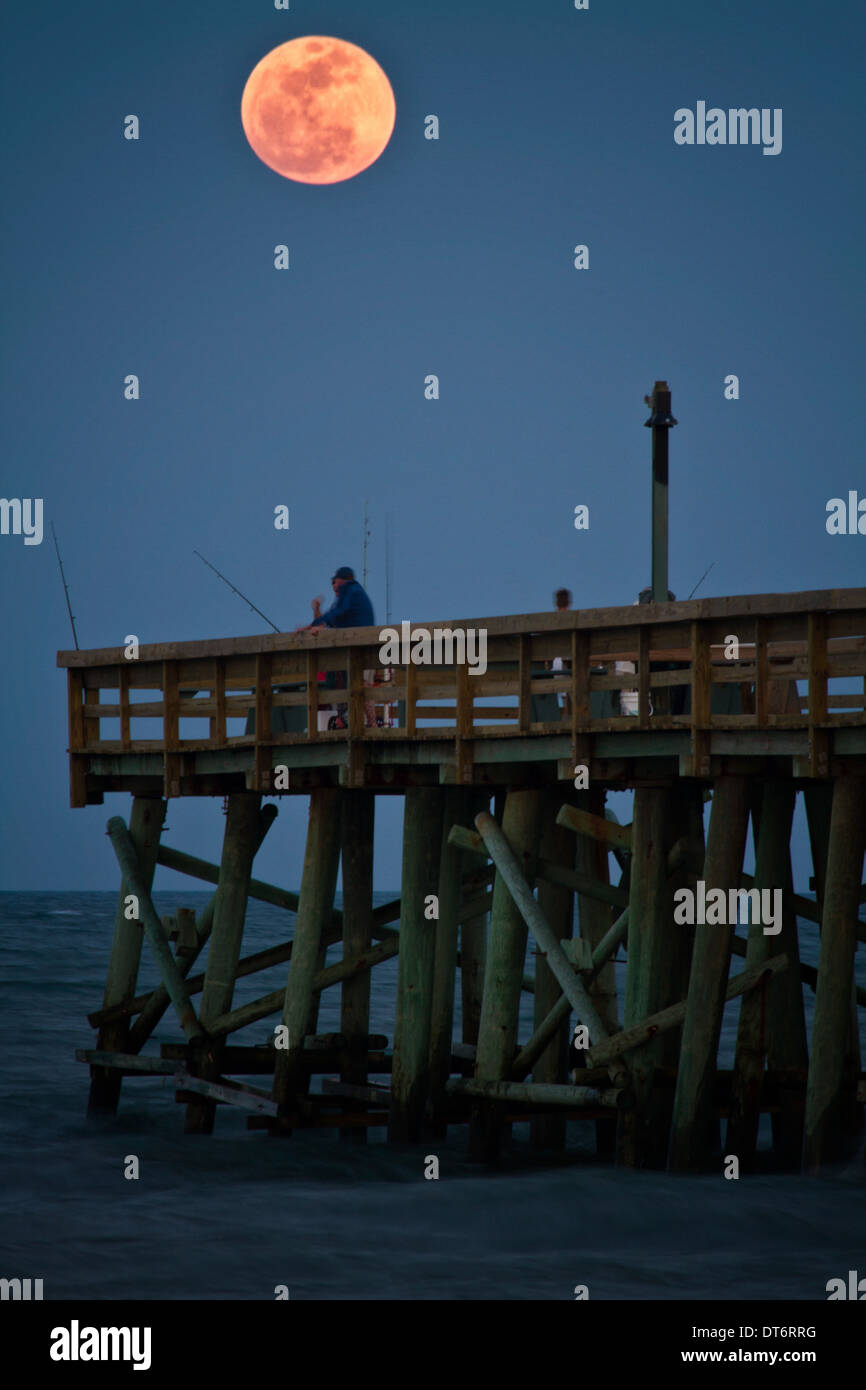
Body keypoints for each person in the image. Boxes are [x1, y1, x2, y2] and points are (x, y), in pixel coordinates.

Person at [295, 566, 377, 727]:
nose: (333, 585)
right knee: (353, 685)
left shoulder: (351, 591)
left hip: (362, 648)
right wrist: (316, 620)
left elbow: (337, 614)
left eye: (334, 581)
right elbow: (334, 618)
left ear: (342, 579)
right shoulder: (350, 594)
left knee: (361, 685)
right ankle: (355, 722)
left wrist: (313, 625)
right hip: (357, 648)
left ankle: (369, 724)